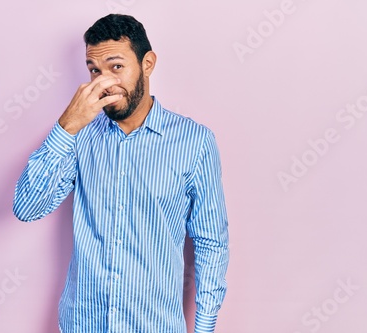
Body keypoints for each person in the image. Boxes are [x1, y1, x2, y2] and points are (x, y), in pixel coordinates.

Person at [13, 14, 229, 333]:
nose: (105, 82)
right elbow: (27, 208)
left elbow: (211, 241)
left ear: (148, 63)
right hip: (83, 323)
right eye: (94, 70)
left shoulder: (194, 142)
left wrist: (205, 326)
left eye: (116, 67)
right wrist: (68, 125)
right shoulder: (78, 136)